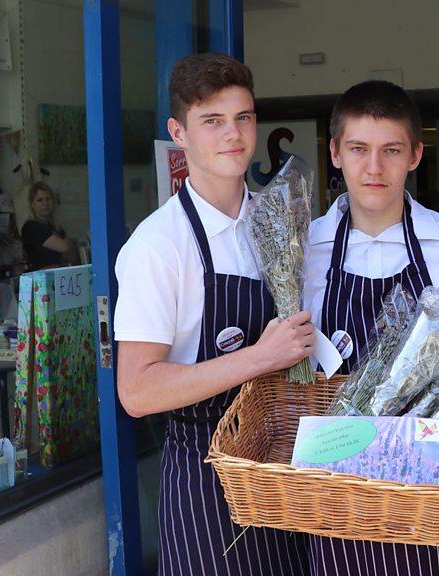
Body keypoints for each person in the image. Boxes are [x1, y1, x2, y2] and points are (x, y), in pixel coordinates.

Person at [113, 53, 313, 576]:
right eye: (212, 121)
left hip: (280, 465)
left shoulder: (274, 220)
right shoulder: (159, 246)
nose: (234, 135)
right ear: (178, 132)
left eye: (243, 117)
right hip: (206, 480)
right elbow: (136, 392)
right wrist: (259, 357)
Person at [302, 80, 439, 575]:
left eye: (391, 151)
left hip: (431, 475)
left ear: (415, 155)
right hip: (336, 479)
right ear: (334, 153)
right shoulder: (305, 250)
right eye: (358, 149)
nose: (374, 167)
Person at [21, 181, 70, 270]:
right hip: (38, 279)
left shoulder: (55, 226)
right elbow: (65, 247)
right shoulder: (31, 227)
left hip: (56, 275)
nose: (45, 203)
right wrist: (62, 241)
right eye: (40, 200)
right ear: (32, 204)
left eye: (48, 199)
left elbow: (70, 250)